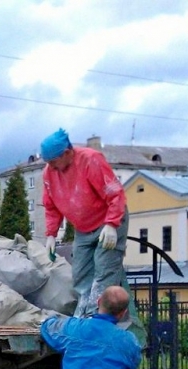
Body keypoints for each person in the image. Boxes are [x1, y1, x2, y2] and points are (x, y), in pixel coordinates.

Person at [40, 128, 145, 345]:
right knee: (81, 275)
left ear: (67, 152)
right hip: (83, 228)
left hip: (108, 221)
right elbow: (51, 205)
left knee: (103, 274)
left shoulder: (90, 160)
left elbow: (115, 193)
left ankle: (92, 324)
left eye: (53, 161)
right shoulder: (49, 173)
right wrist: (51, 234)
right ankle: (83, 316)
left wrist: (111, 224)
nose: (51, 166)